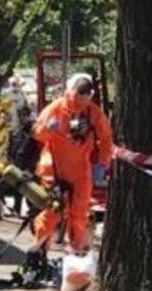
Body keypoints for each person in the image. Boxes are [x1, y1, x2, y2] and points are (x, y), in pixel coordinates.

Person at [32, 73, 112, 253]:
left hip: (80, 171)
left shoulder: (93, 112)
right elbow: (37, 132)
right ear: (70, 92)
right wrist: (49, 129)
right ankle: (39, 250)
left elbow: (106, 137)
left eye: (84, 100)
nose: (79, 105)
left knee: (80, 214)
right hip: (54, 170)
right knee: (53, 212)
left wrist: (103, 162)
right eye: (77, 99)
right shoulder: (56, 108)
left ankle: (77, 252)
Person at [8, 105, 39, 216]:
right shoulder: (18, 130)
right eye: (21, 115)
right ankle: (16, 209)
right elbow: (13, 146)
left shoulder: (34, 129)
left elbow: (36, 148)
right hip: (18, 163)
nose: (22, 118)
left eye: (24, 115)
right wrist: (11, 159)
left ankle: (32, 210)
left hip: (29, 164)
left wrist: (32, 166)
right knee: (18, 187)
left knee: (30, 188)